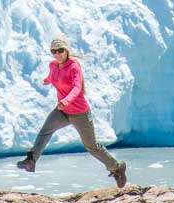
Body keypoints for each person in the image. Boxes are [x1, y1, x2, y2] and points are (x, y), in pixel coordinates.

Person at [16, 36, 127, 187]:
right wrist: (48, 80)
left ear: (66, 50)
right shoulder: (53, 65)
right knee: (45, 131)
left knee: (91, 146)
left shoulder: (74, 66)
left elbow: (77, 88)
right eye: (53, 51)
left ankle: (117, 167)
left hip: (79, 112)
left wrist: (66, 101)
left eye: (60, 50)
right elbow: (53, 76)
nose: (57, 54)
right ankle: (31, 161)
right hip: (62, 111)